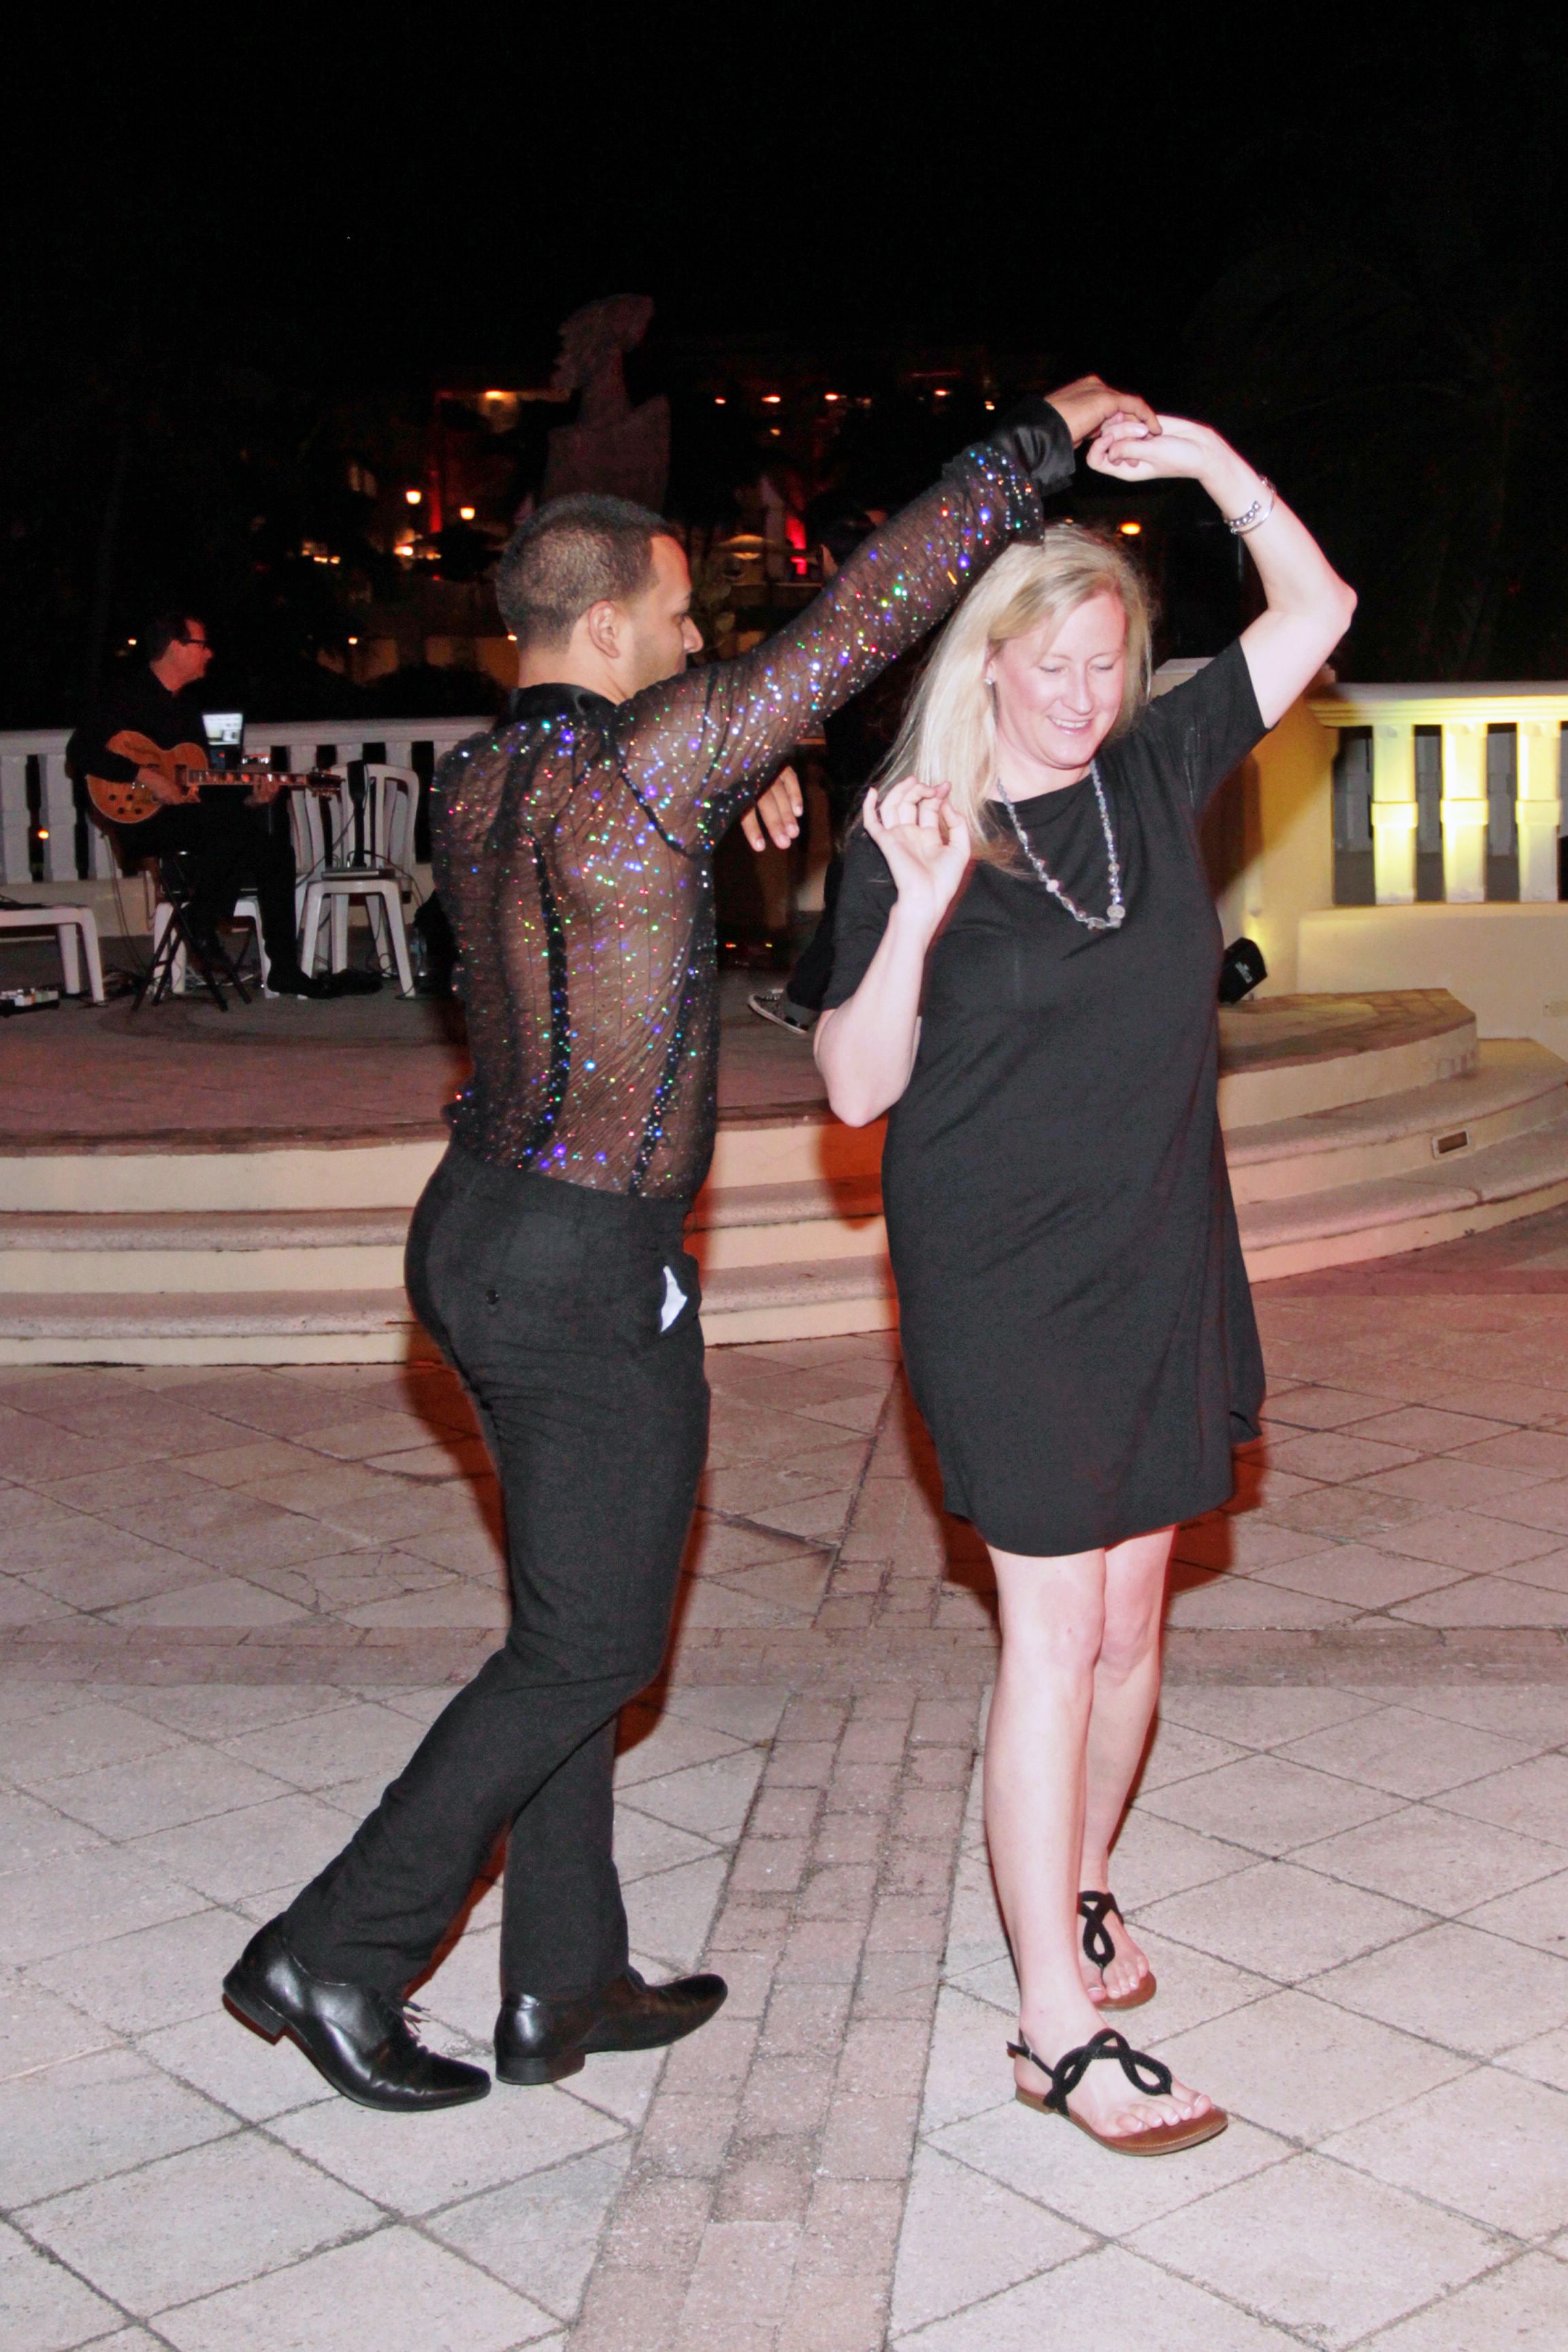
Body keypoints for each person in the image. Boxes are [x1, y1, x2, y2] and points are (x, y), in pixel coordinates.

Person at [222, 375, 1157, 2112]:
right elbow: (867, 611)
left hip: (471, 1233)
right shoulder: (649, 763)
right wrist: (1034, 440)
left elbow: (604, 879)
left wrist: (748, 775)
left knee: (570, 1610)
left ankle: (563, 1975)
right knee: (590, 1647)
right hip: (587, 1263)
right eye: (673, 612)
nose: (694, 636)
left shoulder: (477, 781)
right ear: (605, 622)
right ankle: (337, 1947)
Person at [815, 415, 1355, 2155]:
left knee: (1132, 1623)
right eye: (1046, 664)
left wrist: (1205, 460)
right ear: (987, 662)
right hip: (999, 1277)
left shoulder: (1150, 769)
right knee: (1050, 1637)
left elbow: (1318, 608)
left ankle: (1087, 1876)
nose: (1075, 693)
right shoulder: (909, 831)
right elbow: (853, 1088)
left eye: (1103, 663)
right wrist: (914, 908)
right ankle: (1053, 2026)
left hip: (1159, 1248)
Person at [67, 614, 323, 995]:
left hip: (189, 820)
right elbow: (81, 751)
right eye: (201, 645)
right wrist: (147, 776)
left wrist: (251, 797)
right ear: (175, 647)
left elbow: (203, 789)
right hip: (143, 821)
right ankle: (201, 920)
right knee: (233, 827)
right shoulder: (125, 696)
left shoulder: (187, 709)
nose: (209, 653)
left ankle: (283, 967)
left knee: (274, 851)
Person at [747, 506, 919, 1037]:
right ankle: (814, 1002)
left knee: (852, 895)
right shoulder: (905, 612)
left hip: (857, 778)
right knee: (867, 891)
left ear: (824, 556)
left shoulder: (829, 621)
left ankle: (810, 1004)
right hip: (904, 769)